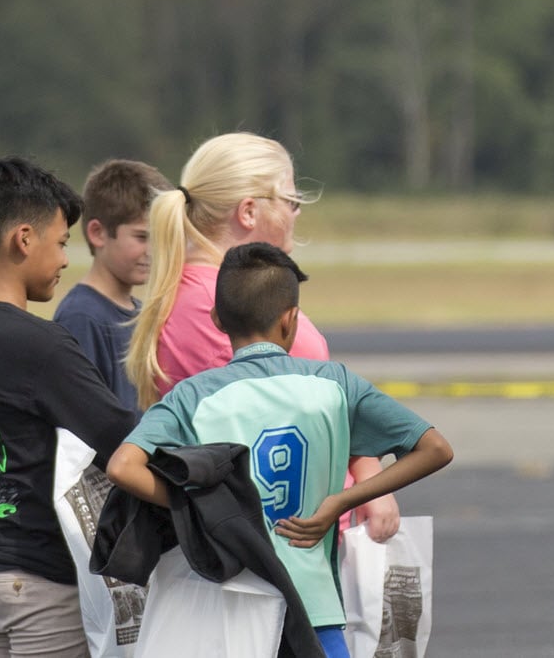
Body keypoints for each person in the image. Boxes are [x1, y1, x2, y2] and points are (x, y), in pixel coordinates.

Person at [109, 243, 455, 658]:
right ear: (291, 320)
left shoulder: (193, 396)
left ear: (217, 319)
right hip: (314, 608)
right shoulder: (335, 384)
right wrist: (341, 501)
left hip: (229, 611)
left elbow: (123, 467)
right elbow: (434, 448)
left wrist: (200, 508)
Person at [122, 132, 402, 540]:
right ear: (249, 211)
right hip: (288, 535)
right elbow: (300, 410)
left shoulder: (202, 291)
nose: (296, 213)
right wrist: (368, 477)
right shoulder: (217, 303)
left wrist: (364, 469)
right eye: (290, 201)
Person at [0, 157, 142, 658]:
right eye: (61, 242)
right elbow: (122, 435)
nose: (66, 259)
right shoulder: (40, 344)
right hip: (35, 580)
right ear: (24, 239)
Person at [53, 159, 168, 411]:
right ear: (98, 233)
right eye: (142, 237)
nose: (153, 251)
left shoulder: (140, 311)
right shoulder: (81, 317)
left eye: (159, 238)